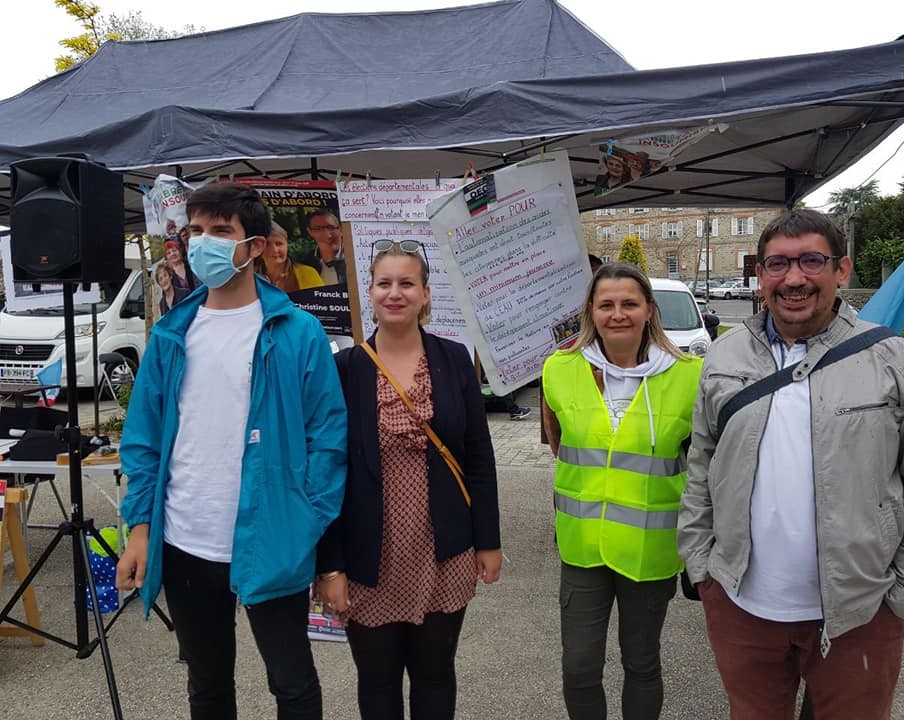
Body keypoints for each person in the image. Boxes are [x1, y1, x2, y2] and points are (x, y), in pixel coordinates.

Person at [678, 209, 904, 720]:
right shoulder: (723, 357)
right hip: (741, 605)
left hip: (862, 609)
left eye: (811, 260)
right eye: (777, 264)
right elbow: (702, 463)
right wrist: (701, 566)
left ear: (841, 270)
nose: (794, 278)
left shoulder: (897, 361)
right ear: (759, 274)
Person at [117, 182, 347, 720]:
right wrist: (141, 530)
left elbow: (329, 440)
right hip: (186, 542)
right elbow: (144, 441)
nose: (204, 243)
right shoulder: (172, 333)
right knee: (208, 687)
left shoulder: (298, 332)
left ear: (257, 246)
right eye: (197, 231)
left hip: (273, 538)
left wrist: (304, 520)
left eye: (221, 232)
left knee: (292, 685)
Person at [316, 238, 502, 720]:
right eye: (384, 283)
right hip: (367, 554)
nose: (394, 293)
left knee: (436, 674)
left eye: (407, 283)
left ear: (425, 293)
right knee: (376, 681)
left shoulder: (455, 358)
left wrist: (488, 540)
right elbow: (327, 474)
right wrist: (329, 566)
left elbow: (478, 457)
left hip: (443, 548)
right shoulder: (345, 369)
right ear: (370, 292)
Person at [541, 262, 703, 720]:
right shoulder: (559, 369)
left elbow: (702, 465)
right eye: (606, 304)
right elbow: (558, 444)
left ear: (649, 309)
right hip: (582, 548)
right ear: (590, 310)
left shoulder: (689, 376)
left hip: (649, 553)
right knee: (579, 667)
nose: (618, 314)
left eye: (629, 304)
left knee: (642, 663)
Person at [256, 220, 324, 292]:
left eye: (279, 244)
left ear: (287, 246)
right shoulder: (249, 277)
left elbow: (322, 302)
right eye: (267, 244)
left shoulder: (308, 274)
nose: (275, 250)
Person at [305, 209, 347, 285]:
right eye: (318, 229)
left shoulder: (355, 259)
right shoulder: (306, 264)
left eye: (330, 227)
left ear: (341, 229)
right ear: (310, 232)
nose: (327, 235)